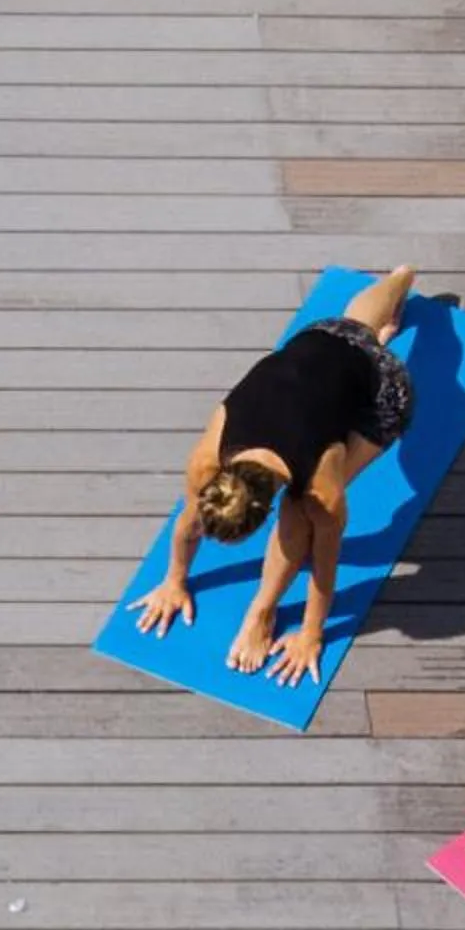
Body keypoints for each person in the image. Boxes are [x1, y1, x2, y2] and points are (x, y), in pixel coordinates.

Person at [132, 264, 420, 686]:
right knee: (357, 326)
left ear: (266, 507)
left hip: (380, 392)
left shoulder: (318, 489)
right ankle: (400, 278)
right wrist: (173, 580)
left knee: (302, 521)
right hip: (325, 340)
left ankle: (261, 612)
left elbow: (324, 563)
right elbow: (189, 523)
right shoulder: (207, 464)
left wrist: (310, 634)